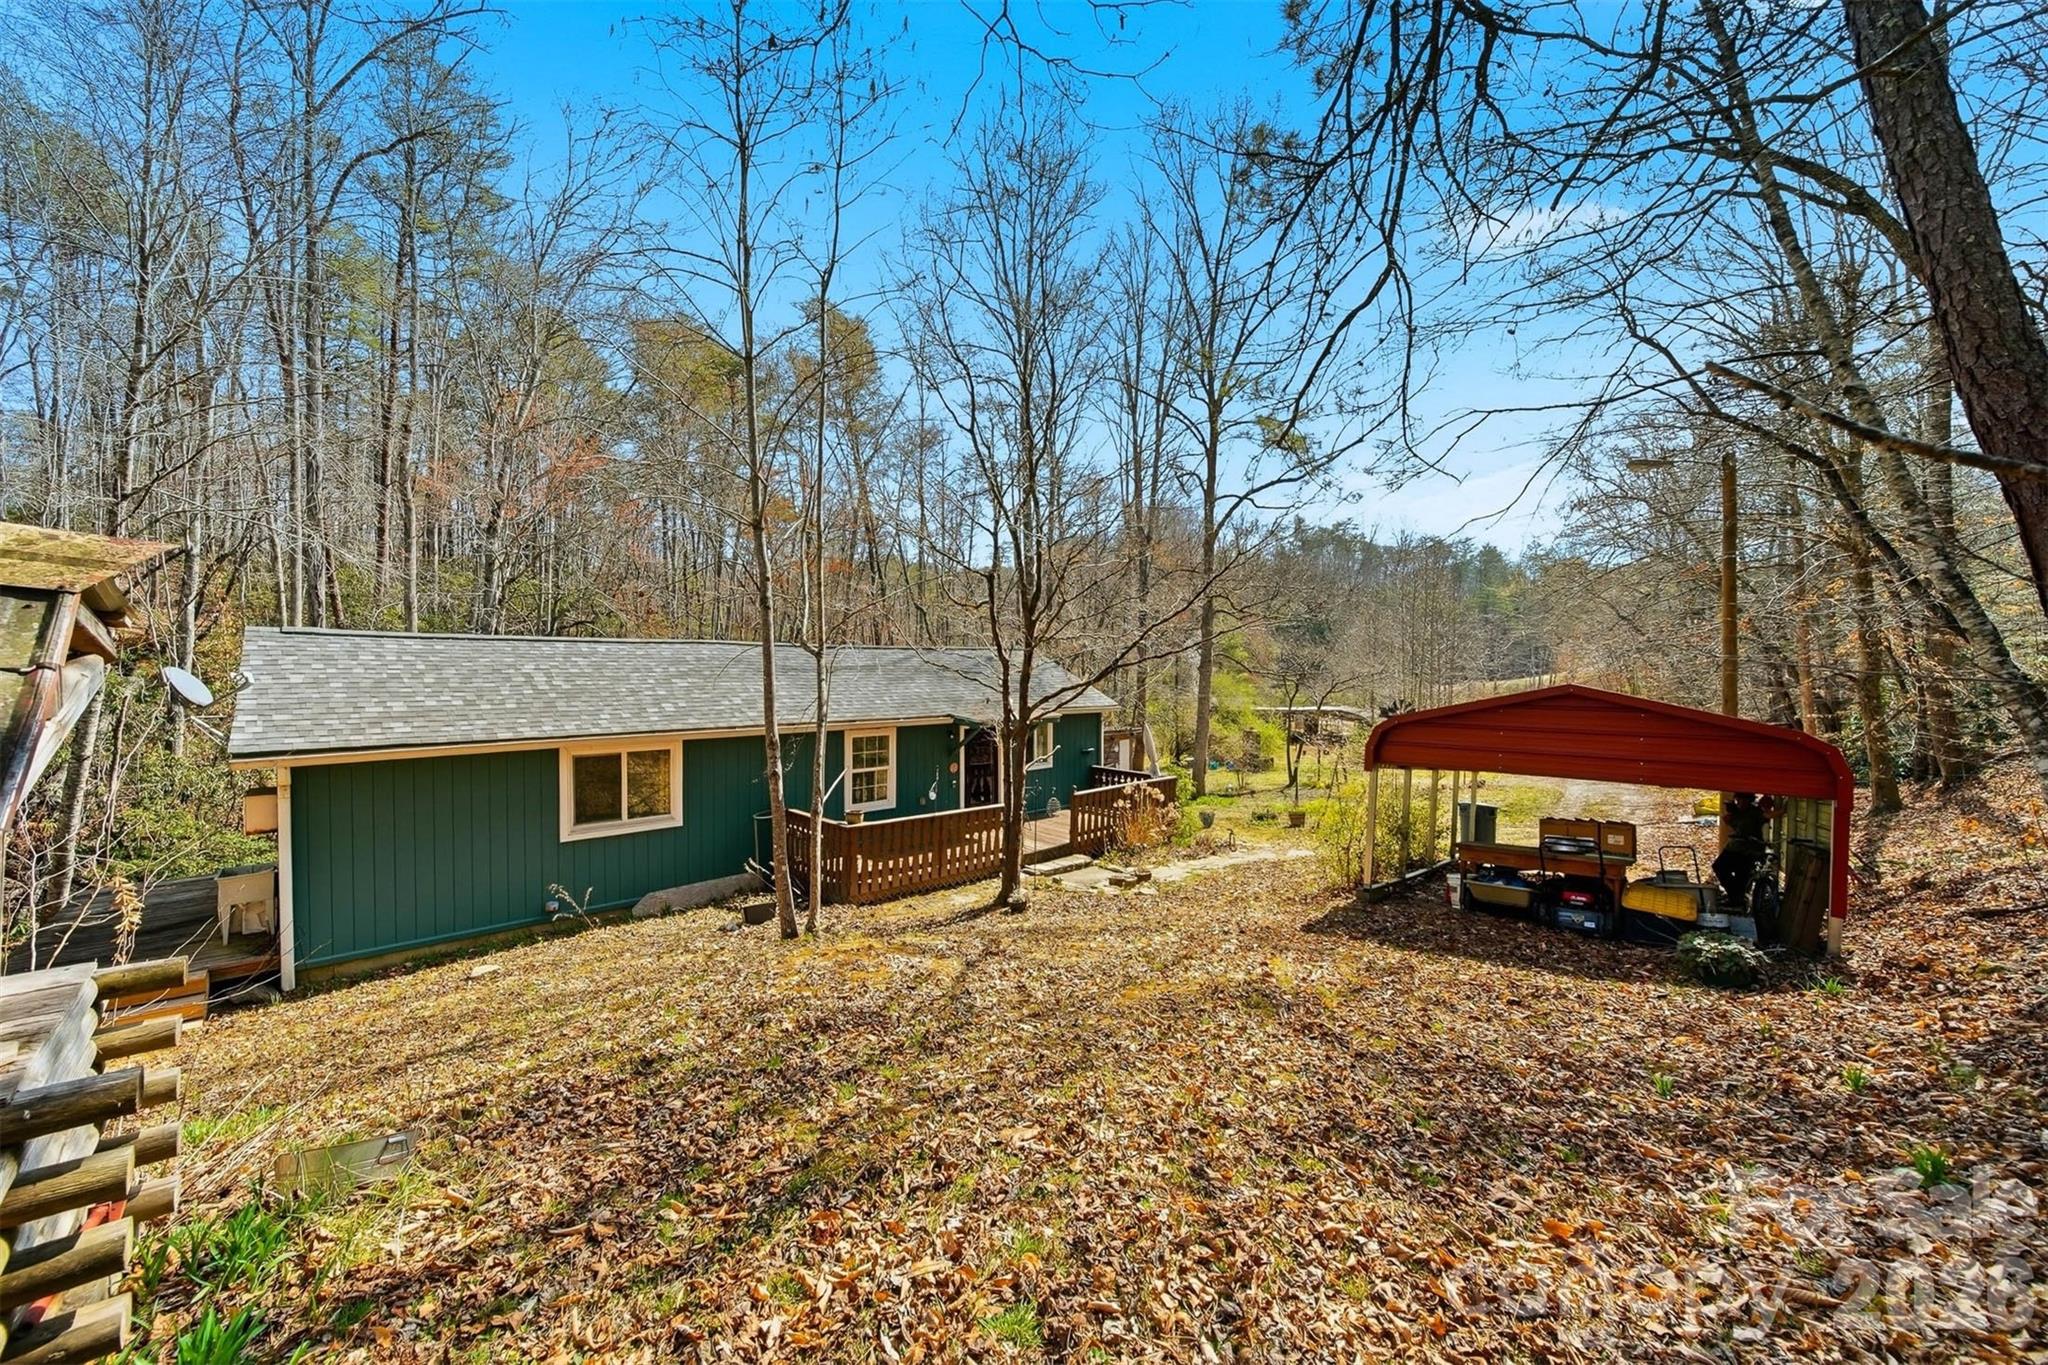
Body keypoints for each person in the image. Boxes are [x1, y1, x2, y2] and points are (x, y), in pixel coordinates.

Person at [1712, 791, 1780, 909]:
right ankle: (1736, 896)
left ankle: (1737, 899)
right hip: (1734, 847)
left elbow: (1767, 816)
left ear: (1750, 801)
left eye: (1744, 800)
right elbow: (1729, 821)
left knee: (1742, 875)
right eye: (1739, 800)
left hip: (1749, 849)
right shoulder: (1735, 812)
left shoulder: (1755, 812)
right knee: (1719, 866)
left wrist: (1782, 810)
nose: (1741, 803)